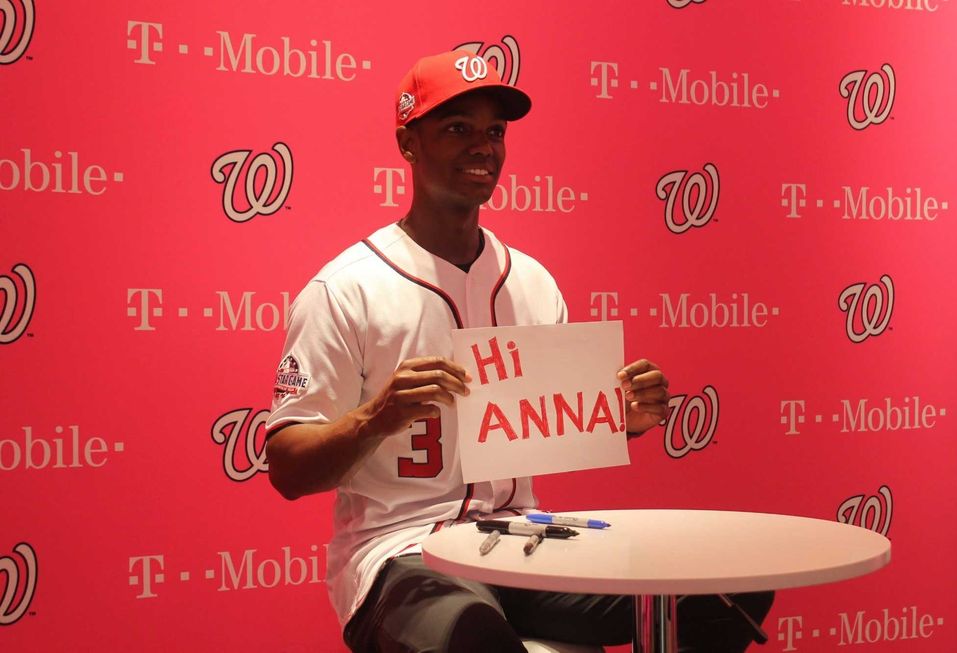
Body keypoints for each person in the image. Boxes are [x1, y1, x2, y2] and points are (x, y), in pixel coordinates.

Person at [266, 50, 773, 652]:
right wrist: (376, 418)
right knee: (472, 640)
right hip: (402, 552)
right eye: (458, 129)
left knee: (726, 595)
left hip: (523, 541)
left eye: (494, 132)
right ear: (408, 143)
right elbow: (288, 469)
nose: (483, 146)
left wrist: (626, 420)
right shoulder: (346, 289)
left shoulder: (531, 281)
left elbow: (552, 421)